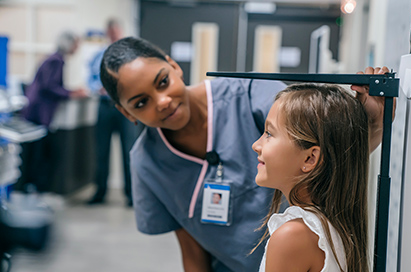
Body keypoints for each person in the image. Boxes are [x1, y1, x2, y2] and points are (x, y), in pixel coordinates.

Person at [99, 36, 389, 271]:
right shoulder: (146, 163)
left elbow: (328, 156)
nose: (162, 102)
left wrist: (373, 126)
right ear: (126, 113)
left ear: (174, 66)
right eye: (140, 103)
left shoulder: (252, 95)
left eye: (162, 82)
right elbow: (191, 248)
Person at [252, 83, 370, 271]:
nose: (256, 145)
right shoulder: (333, 227)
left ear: (310, 158)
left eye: (269, 134)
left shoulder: (292, 236)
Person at [20, 30, 87, 192]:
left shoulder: (54, 59)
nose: (77, 48)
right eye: (76, 44)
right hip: (38, 113)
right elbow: (49, 87)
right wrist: (71, 93)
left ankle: (32, 188)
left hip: (37, 112)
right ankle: (33, 189)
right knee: (38, 155)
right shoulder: (56, 61)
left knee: (37, 154)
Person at [86, 19, 141, 207]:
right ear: (107, 33)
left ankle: (131, 196)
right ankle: (99, 193)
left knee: (128, 151)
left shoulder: (131, 57)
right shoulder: (97, 56)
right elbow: (90, 80)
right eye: (110, 32)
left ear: (121, 32)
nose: (113, 35)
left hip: (125, 108)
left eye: (116, 31)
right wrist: (98, 88)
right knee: (101, 152)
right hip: (104, 107)